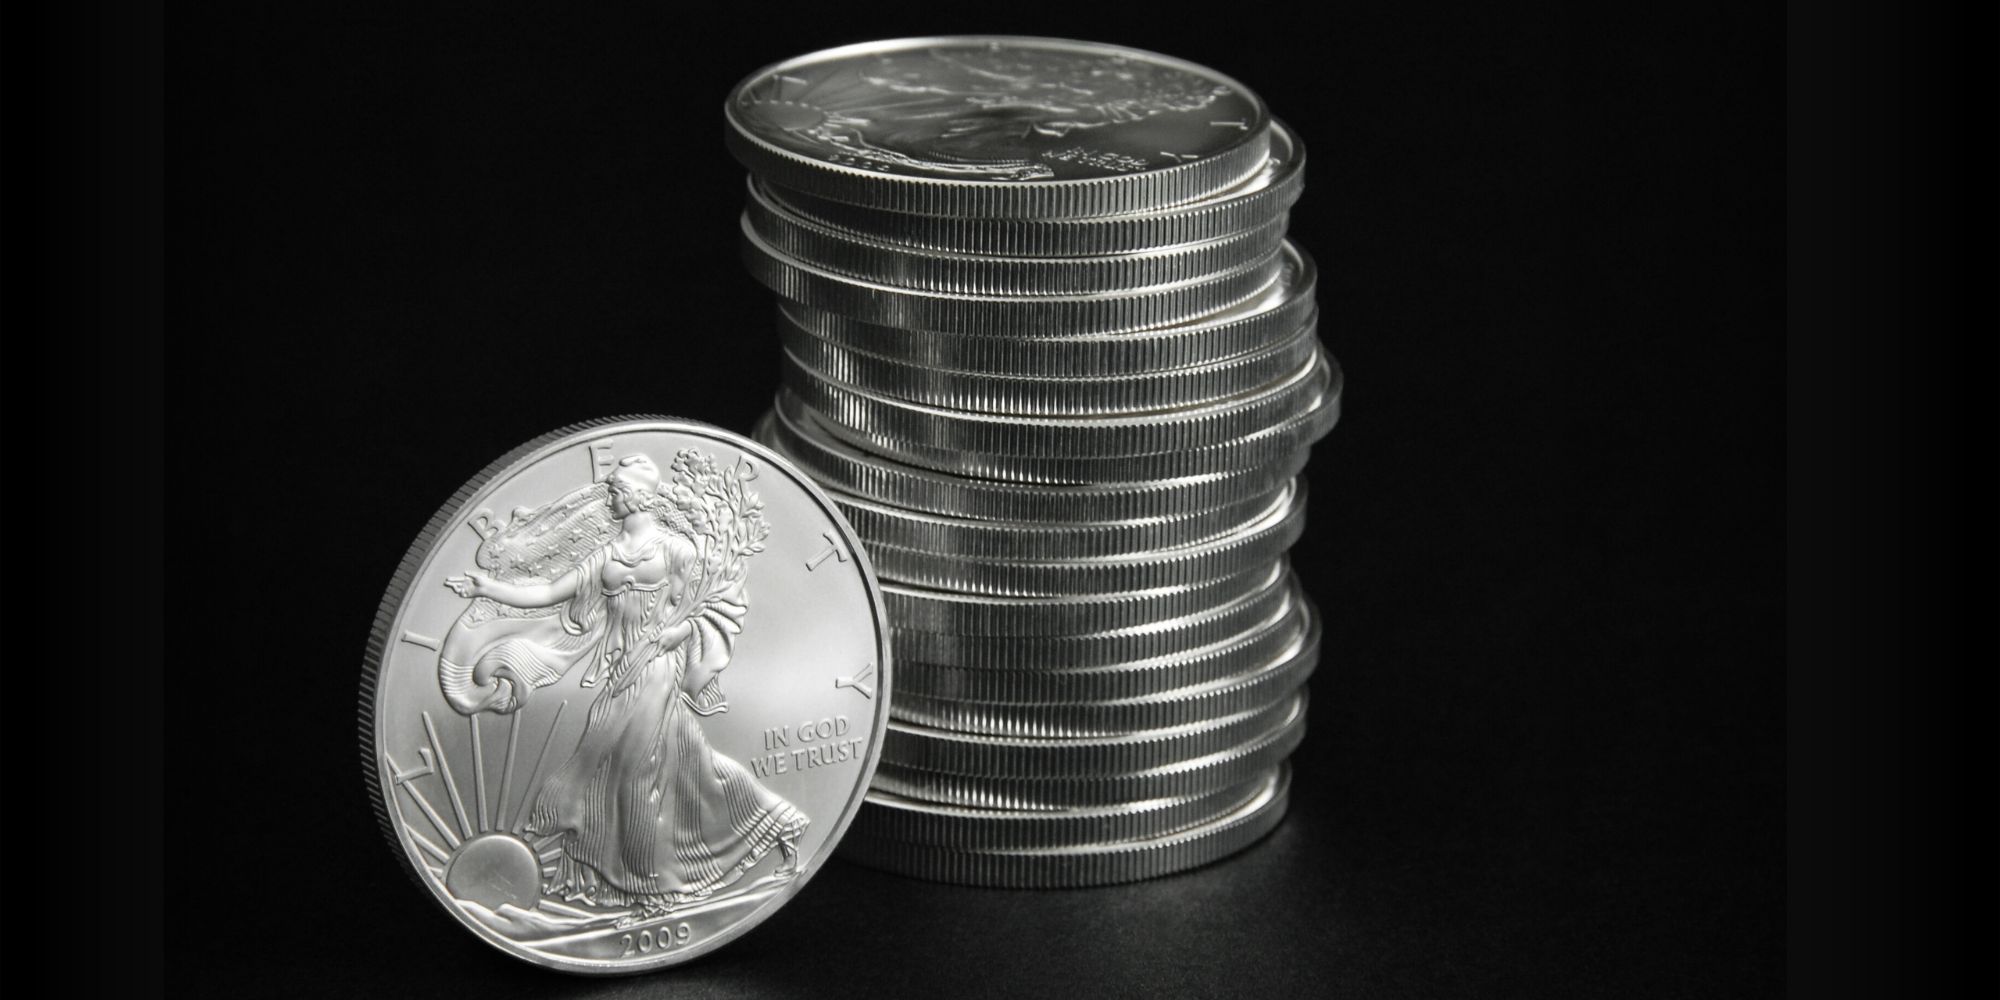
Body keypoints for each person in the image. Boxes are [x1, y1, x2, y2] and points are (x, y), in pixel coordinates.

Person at [442, 453, 806, 916]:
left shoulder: (679, 550)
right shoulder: (605, 557)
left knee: (636, 772)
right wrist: (487, 588)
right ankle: (772, 824)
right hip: (620, 673)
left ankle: (651, 885)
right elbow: (547, 595)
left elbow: (714, 604)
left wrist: (676, 634)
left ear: (637, 496)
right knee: (672, 767)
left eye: (615, 490)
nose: (608, 497)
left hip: (658, 668)